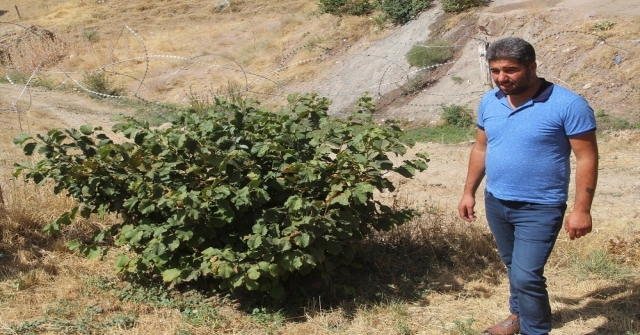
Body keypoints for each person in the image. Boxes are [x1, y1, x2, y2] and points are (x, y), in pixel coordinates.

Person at [458, 37, 599, 335]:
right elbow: (481, 148)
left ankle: (535, 331)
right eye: (495, 71)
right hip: (496, 201)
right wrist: (469, 191)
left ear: (531, 67)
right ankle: (517, 315)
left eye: (511, 70)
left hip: (541, 206)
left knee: (527, 275)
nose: (502, 78)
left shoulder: (568, 104)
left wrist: (581, 210)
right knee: (514, 268)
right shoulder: (489, 101)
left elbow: (586, 158)